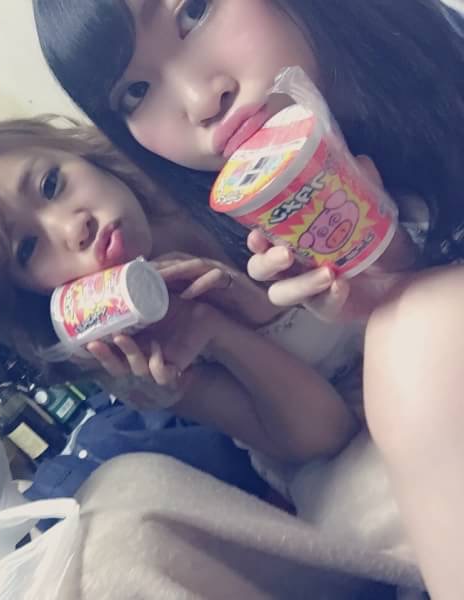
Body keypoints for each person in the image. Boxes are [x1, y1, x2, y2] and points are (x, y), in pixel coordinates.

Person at [32, 0, 464, 596]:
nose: (200, 101)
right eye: (135, 92)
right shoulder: (249, 228)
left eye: (194, 11)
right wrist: (388, 279)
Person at [0, 116, 363, 507]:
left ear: (76, 153)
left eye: (51, 185)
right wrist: (216, 330)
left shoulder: (189, 162)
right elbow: (326, 435)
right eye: (28, 248)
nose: (73, 227)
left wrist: (247, 296)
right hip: (336, 465)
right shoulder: (128, 354)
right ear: (31, 293)